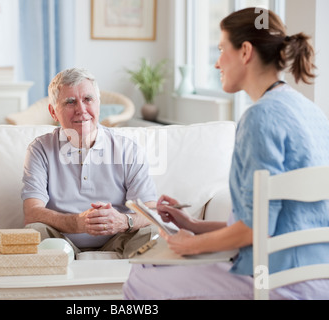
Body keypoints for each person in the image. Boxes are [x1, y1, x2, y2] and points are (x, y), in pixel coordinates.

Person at [123, 7, 329, 300]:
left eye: (222, 49)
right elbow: (270, 222)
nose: (218, 63)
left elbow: (256, 231)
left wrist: (189, 245)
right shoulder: (311, 112)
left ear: (245, 51)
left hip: (276, 281)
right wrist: (194, 226)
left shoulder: (260, 117)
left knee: (142, 275)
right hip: (317, 275)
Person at [22, 68, 158, 259]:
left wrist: (123, 221)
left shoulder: (128, 149)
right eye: (70, 102)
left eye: (88, 99)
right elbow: (32, 213)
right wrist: (76, 223)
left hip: (119, 240)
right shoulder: (39, 149)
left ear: (98, 104)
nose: (81, 109)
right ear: (53, 111)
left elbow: (151, 211)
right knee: (35, 231)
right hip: (62, 244)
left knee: (153, 232)